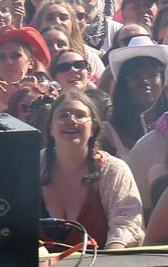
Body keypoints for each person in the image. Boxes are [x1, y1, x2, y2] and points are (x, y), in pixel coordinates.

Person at [38, 87, 144, 251]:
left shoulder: (113, 170)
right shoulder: (32, 166)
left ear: (93, 127)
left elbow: (126, 227)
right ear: (50, 128)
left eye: (80, 115)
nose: (71, 120)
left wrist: (108, 264)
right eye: (63, 115)